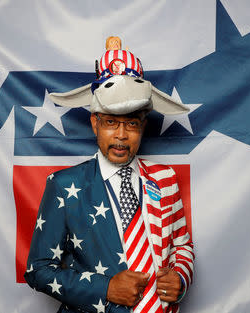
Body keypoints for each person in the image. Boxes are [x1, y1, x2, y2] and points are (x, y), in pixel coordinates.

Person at [25, 39, 194, 313]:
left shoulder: (165, 178)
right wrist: (104, 289)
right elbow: (39, 270)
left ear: (142, 126)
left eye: (131, 124)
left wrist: (181, 278)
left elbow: (182, 246)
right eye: (111, 122)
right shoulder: (64, 185)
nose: (121, 135)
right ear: (95, 123)